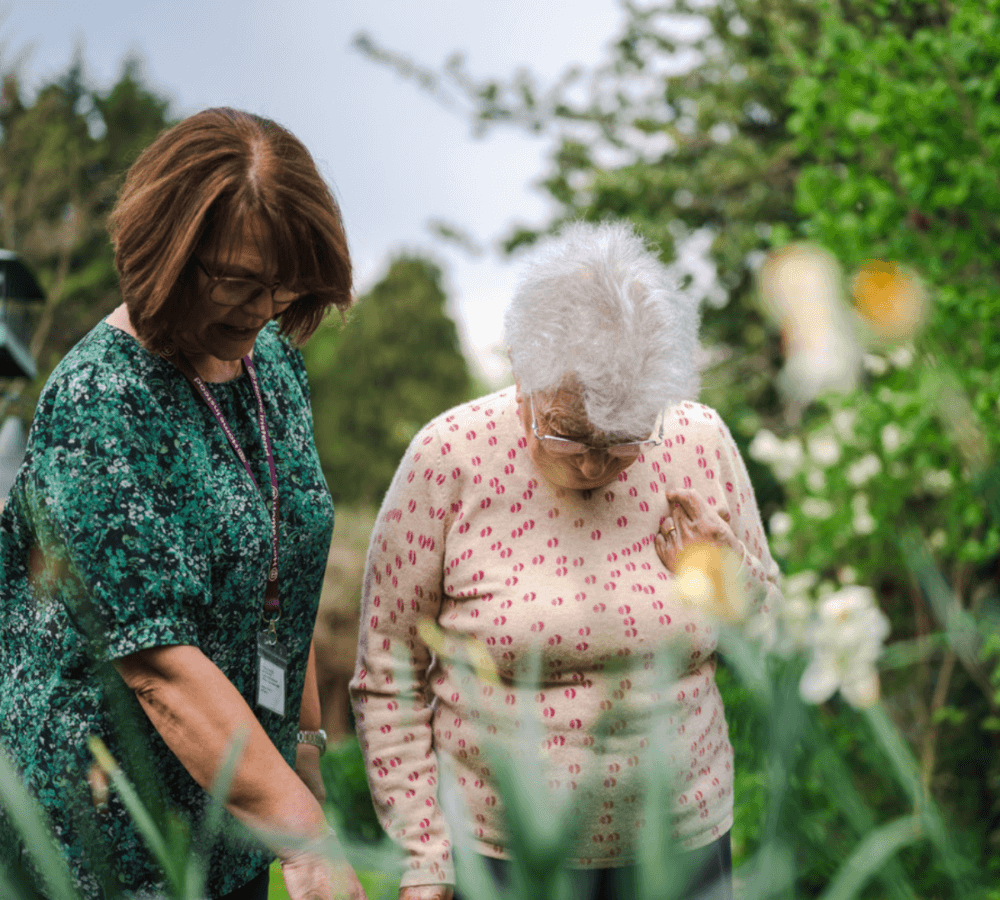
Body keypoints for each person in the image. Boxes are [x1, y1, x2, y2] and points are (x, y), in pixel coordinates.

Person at [349, 221, 783, 900]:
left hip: (682, 846)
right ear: (524, 379)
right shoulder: (450, 457)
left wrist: (731, 578)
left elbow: (770, 635)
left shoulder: (697, 443)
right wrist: (424, 856)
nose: (597, 462)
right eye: (572, 433)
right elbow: (388, 672)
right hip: (503, 856)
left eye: (624, 438)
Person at [0, 109, 366, 900]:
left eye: (283, 282)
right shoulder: (100, 405)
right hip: (107, 841)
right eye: (238, 280)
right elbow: (159, 665)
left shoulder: (271, 366)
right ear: (167, 252)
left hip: (232, 819)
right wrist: (305, 842)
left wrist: (302, 746)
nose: (264, 306)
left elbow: (280, 567)